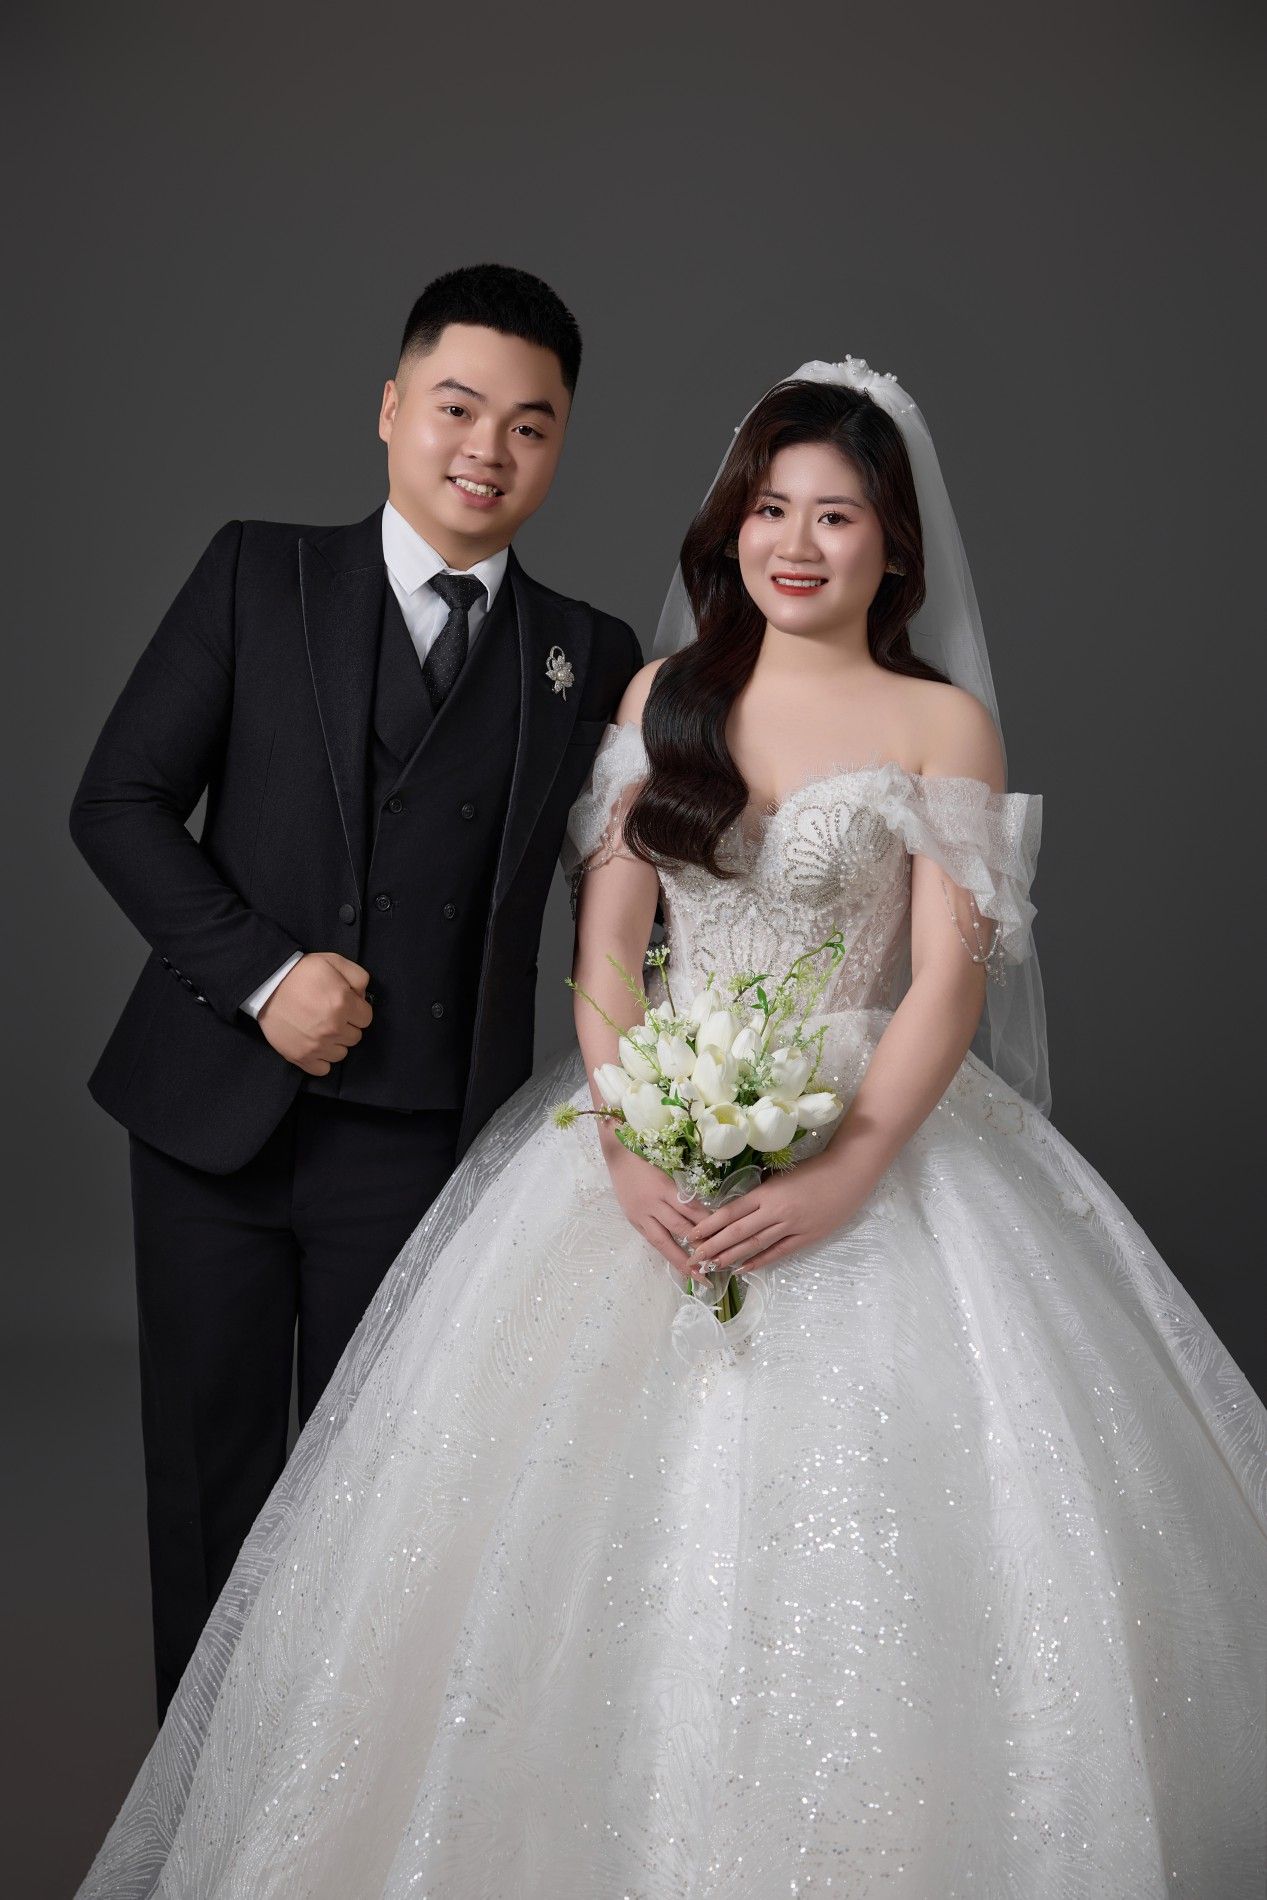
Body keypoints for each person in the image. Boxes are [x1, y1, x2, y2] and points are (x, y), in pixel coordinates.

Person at [75, 360, 1266, 1898]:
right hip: (645, 1109)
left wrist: (846, 1172)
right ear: (733, 527)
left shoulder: (940, 724)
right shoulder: (660, 697)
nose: (796, 542)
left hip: (872, 1128)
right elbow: (605, 949)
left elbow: (945, 987)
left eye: (836, 515)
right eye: (771, 508)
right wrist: (631, 1141)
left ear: (894, 546)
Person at [68, 263, 642, 1720]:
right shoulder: (257, 575)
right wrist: (264, 977)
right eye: (456, 407)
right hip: (211, 1117)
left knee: (378, 1503)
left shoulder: (590, 656)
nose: (487, 450)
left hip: (421, 1142)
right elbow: (117, 803)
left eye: (529, 425)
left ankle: (324, 1806)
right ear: (391, 409)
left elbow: (639, 888)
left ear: (560, 445)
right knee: (209, 1484)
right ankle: (198, 1809)